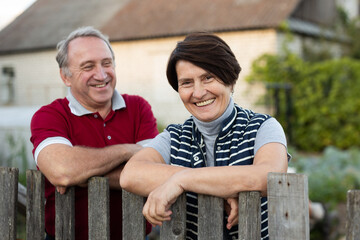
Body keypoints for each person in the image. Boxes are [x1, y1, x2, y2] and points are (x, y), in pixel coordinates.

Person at [120, 33, 289, 240]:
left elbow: (268, 177)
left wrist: (182, 179)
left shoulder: (263, 127)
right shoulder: (175, 137)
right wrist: (222, 187)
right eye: (187, 83)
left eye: (208, 77)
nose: (198, 93)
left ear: (230, 80)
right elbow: (131, 175)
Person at [30, 26, 158, 239]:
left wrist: (81, 175)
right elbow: (62, 170)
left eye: (106, 63)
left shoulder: (138, 107)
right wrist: (129, 151)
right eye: (88, 66)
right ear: (66, 77)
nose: (101, 74)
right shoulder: (50, 115)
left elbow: (154, 174)